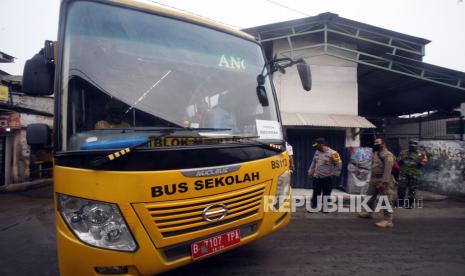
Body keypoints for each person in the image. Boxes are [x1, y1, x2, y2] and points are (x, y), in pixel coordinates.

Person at [358, 138, 395, 228]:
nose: (375, 144)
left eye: (377, 142)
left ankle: (387, 220)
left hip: (383, 180)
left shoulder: (388, 155)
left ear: (383, 144)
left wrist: (383, 182)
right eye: (374, 142)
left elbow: (388, 170)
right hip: (374, 179)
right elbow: (373, 167)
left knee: (386, 200)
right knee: (369, 196)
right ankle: (368, 212)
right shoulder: (376, 153)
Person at [308, 137, 342, 212]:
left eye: (317, 146)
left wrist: (334, 173)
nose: (316, 147)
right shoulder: (317, 152)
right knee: (316, 191)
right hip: (317, 176)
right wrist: (310, 171)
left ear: (322, 144)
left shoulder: (333, 153)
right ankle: (314, 207)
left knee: (326, 193)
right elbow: (314, 162)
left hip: (327, 177)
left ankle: (325, 208)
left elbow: (339, 164)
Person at [397, 140, 428, 208]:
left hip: (414, 174)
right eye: (411, 146)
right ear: (409, 146)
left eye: (413, 146)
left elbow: (424, 162)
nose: (412, 148)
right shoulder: (403, 152)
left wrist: (419, 163)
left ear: (416, 146)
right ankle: (400, 203)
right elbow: (398, 161)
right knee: (401, 188)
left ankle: (409, 204)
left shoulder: (421, 154)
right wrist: (401, 160)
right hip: (404, 173)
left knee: (412, 189)